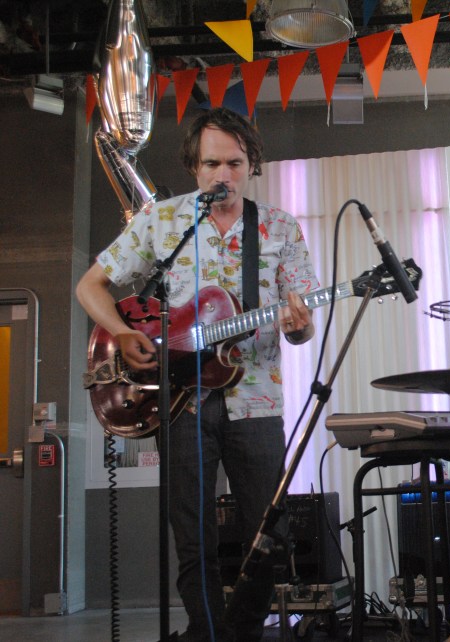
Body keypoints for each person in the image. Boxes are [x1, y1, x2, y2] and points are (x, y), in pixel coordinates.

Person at [77, 107, 320, 641]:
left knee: (269, 534)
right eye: (212, 163)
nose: (223, 175)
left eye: (235, 163)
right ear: (195, 167)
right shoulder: (163, 221)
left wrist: (300, 325)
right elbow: (90, 286)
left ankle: (241, 632)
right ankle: (207, 633)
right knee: (194, 539)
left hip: (257, 402)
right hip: (181, 401)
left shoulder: (278, 227)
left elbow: (300, 331)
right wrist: (120, 332)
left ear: (252, 164)